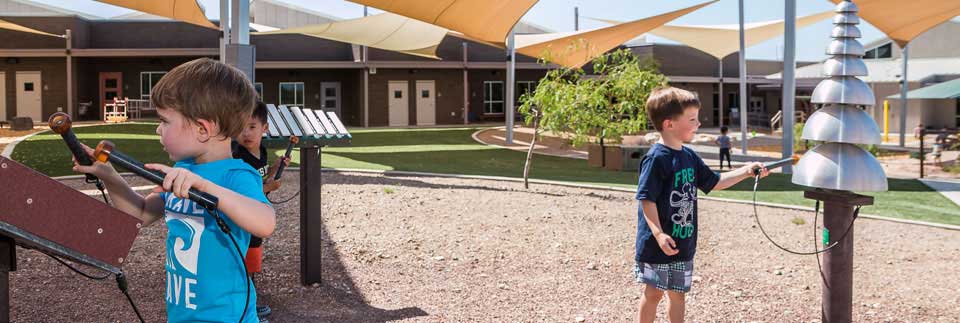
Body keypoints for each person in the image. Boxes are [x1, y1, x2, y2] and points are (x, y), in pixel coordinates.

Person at [73, 58, 275, 322]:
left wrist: (204, 186)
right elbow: (142, 213)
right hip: (183, 313)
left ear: (203, 128)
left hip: (227, 317)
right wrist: (108, 175)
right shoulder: (183, 168)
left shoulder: (236, 175)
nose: (158, 128)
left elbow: (265, 222)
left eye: (165, 120)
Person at [634, 87, 769, 323]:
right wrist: (658, 234)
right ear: (669, 124)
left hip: (683, 243)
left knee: (678, 295)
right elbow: (647, 199)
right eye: (692, 119)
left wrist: (746, 171)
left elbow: (715, 182)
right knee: (653, 293)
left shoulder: (689, 156)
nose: (698, 124)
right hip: (657, 245)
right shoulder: (656, 159)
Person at [232, 101, 290, 322]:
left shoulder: (261, 152)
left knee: (252, 263)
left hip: (255, 218)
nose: (246, 133)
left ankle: (251, 304)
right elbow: (240, 192)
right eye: (241, 127)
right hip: (243, 220)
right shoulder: (238, 157)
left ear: (264, 129)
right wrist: (268, 188)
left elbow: (259, 178)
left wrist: (275, 168)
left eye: (252, 127)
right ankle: (245, 310)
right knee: (241, 264)